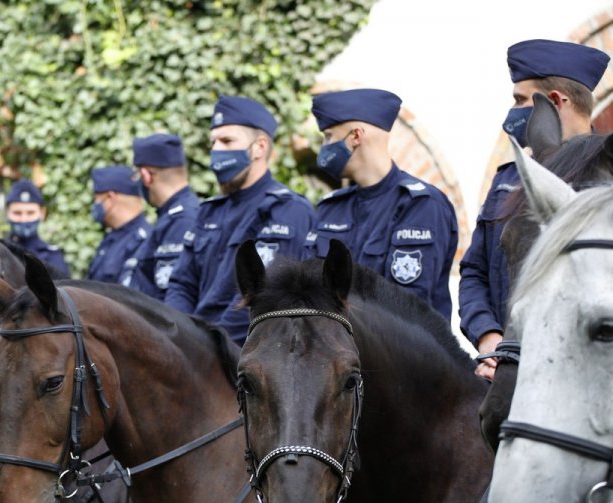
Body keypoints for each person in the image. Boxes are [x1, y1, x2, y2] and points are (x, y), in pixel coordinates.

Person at [459, 39, 609, 380]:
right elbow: (474, 271)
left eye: (519, 100)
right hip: (501, 374)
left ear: (554, 101)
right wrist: (489, 339)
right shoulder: (507, 180)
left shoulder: (606, 179)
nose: (512, 112)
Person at [165, 95, 316, 344]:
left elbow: (263, 297)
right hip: (192, 349)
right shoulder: (209, 211)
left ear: (259, 147)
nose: (216, 151)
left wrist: (208, 346)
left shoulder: (287, 210)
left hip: (245, 354)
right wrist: (176, 334)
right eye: (213, 142)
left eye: (227, 141)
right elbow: (182, 284)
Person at [310, 88, 458, 320]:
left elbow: (406, 308)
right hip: (333, 350)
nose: (324, 147)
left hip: (401, 354)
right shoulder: (331, 208)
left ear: (355, 137)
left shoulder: (420, 205)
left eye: (329, 136)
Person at [127, 133, 200, 301]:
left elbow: (171, 298)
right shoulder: (171, 216)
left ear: (146, 176)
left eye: (135, 175)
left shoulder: (182, 220)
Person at [86, 166, 150, 284]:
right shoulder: (111, 238)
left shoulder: (144, 242)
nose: (95, 204)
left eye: (96, 198)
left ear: (110, 198)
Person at [4, 179, 70, 278]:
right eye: (17, 213)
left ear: (42, 214)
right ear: (7, 213)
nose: (24, 219)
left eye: (30, 213)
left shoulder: (53, 257)